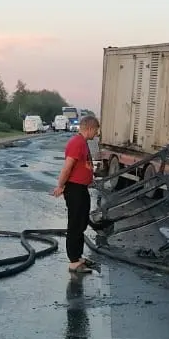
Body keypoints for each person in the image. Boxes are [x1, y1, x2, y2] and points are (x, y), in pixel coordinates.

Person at [52, 115, 100, 274]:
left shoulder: (83, 143)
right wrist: (60, 186)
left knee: (82, 223)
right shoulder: (76, 143)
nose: (97, 134)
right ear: (90, 128)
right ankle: (73, 262)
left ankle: (78, 257)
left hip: (82, 188)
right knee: (75, 225)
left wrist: (89, 178)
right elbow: (67, 167)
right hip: (74, 189)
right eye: (96, 130)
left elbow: (82, 166)